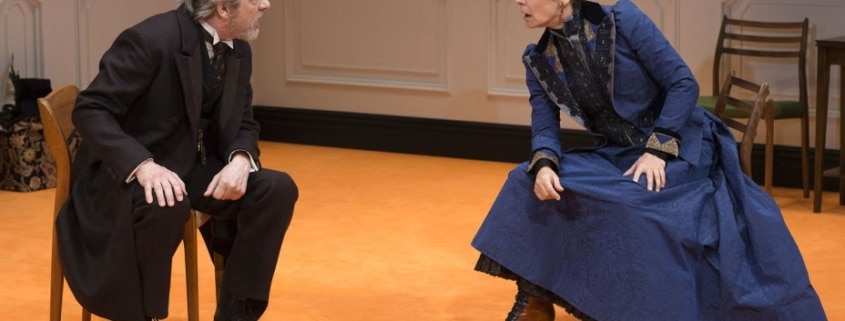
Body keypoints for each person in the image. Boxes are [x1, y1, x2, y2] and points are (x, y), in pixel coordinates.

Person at [471, 1, 827, 320]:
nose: (519, 2)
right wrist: (545, 162)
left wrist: (658, 149)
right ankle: (534, 301)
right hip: (620, 152)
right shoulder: (538, 60)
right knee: (525, 179)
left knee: (632, 204)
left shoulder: (624, 21)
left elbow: (683, 84)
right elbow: (545, 124)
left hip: (678, 144)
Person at [55, 0, 298, 320]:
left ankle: (236, 312)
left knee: (276, 189)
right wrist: (142, 165)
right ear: (223, 8)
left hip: (191, 165)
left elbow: (244, 121)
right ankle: (146, 314)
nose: (267, 5)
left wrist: (240, 159)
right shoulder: (150, 39)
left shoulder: (239, 49)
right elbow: (91, 110)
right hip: (130, 172)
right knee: (168, 202)